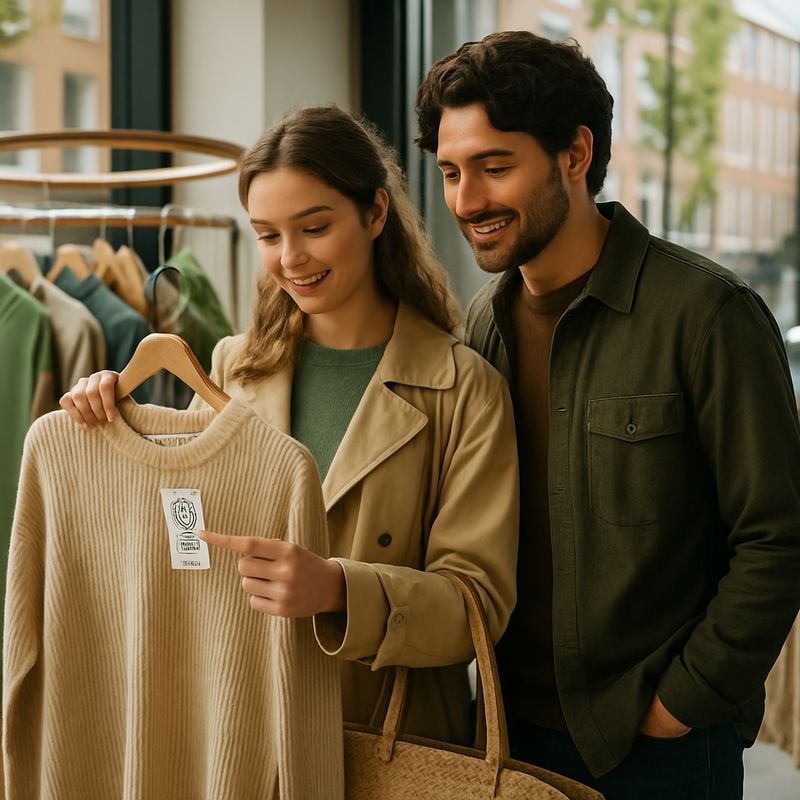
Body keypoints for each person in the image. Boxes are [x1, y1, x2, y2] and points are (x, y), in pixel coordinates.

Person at [414, 29, 800, 799]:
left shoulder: (707, 314)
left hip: (655, 750)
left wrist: (682, 701)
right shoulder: (483, 324)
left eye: (495, 167)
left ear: (576, 154)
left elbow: (777, 537)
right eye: (452, 172)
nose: (466, 200)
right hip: (504, 736)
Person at [59, 105, 520, 745]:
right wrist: (120, 431)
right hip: (241, 725)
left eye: (314, 227)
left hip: (383, 742)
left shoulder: (465, 388)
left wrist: (339, 589)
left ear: (376, 213)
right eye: (268, 235)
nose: (291, 258)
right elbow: (186, 544)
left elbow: (478, 608)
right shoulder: (231, 366)